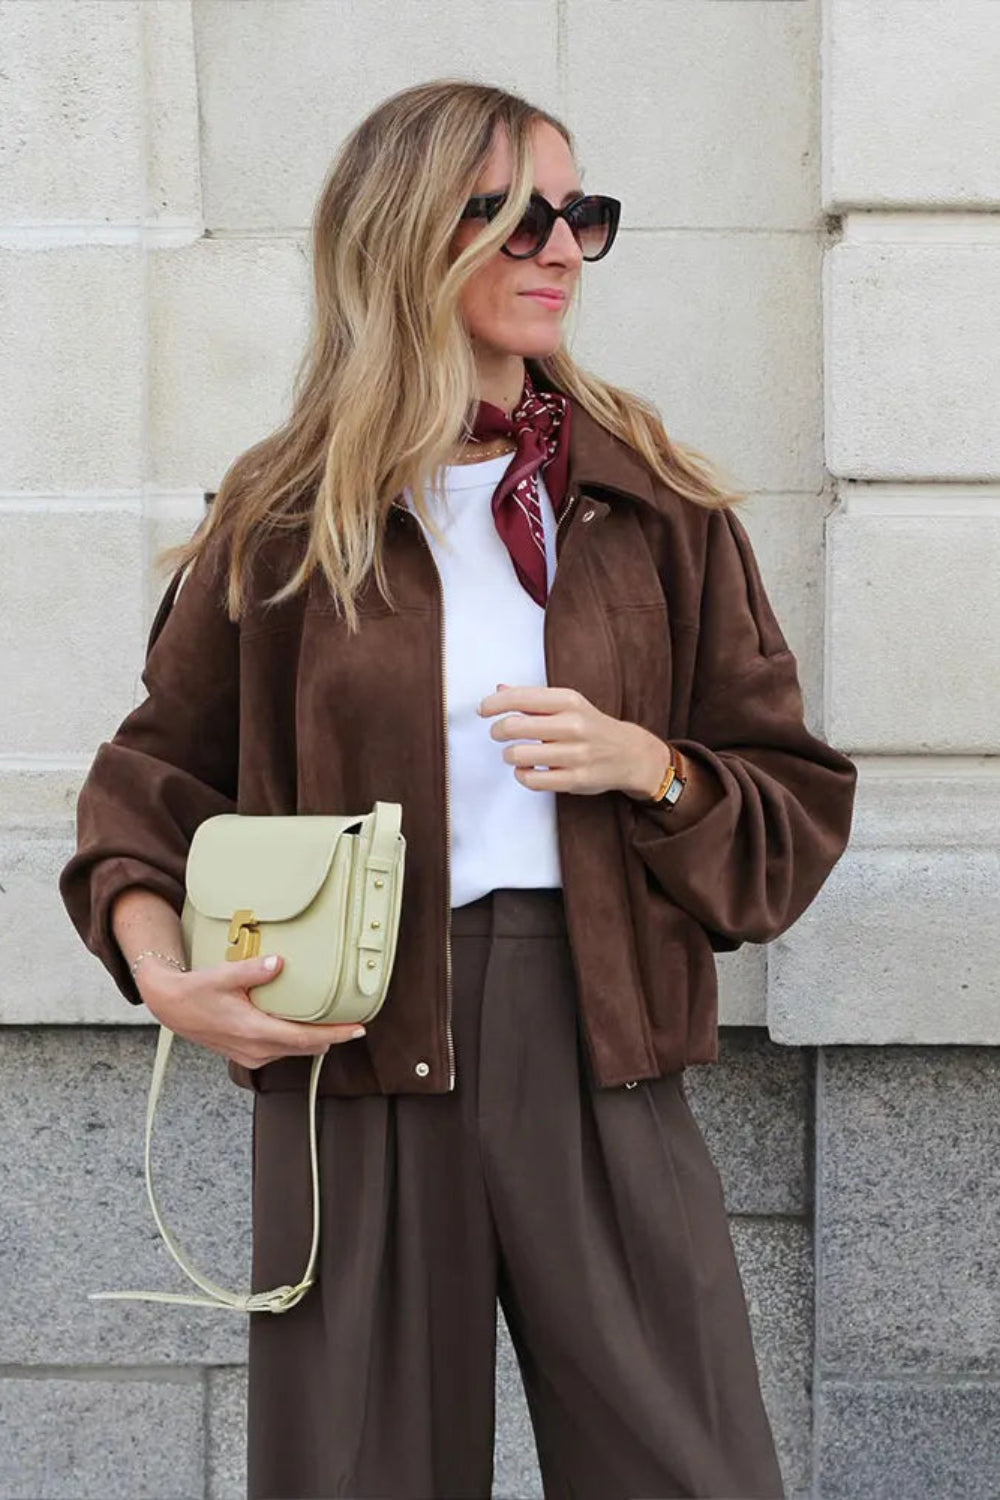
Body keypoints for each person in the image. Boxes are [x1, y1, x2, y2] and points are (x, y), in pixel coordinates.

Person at [59, 79, 857, 1500]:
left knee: (689, 1468)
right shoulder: (288, 517)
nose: (560, 248)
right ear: (405, 235)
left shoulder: (651, 502)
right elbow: (149, 782)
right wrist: (166, 975)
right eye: (514, 215)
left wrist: (652, 767)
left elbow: (790, 801)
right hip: (352, 1054)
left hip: (599, 1035)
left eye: (580, 215)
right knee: (360, 1472)